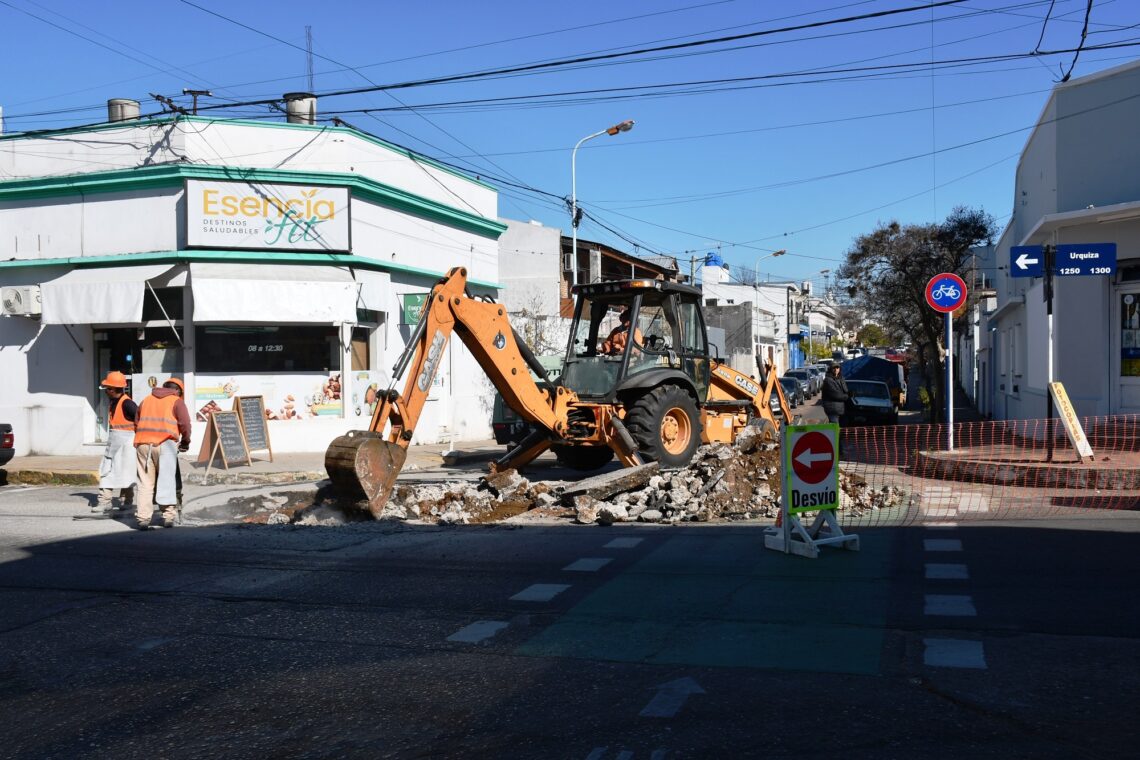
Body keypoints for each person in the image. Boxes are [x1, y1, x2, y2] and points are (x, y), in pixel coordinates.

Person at [133, 377, 191, 530]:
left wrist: (144, 438)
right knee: (167, 480)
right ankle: (167, 517)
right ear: (177, 390)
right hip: (165, 445)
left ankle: (143, 518)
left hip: (143, 444)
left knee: (145, 483)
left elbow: (136, 423)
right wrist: (185, 442)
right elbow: (185, 424)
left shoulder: (146, 400)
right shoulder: (176, 401)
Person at [94, 371, 137, 515]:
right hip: (116, 442)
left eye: (108, 388)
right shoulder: (115, 402)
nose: (106, 391)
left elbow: (140, 421)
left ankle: (125, 501)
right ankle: (106, 501)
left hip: (127, 444)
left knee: (126, 472)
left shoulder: (128, 404)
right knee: (108, 471)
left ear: (114, 389)